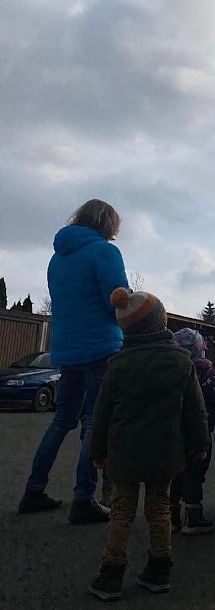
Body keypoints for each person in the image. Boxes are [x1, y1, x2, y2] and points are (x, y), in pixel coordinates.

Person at [88, 289, 210, 602]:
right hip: (165, 451)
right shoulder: (181, 361)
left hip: (124, 453)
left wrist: (98, 451)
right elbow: (195, 409)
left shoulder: (117, 365)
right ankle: (158, 570)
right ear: (160, 322)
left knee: (121, 511)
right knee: (159, 509)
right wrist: (200, 443)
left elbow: (102, 414)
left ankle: (111, 575)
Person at [19, 199, 129, 524]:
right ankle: (84, 499)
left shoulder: (58, 258)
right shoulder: (105, 253)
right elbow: (117, 300)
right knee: (95, 422)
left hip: (67, 349)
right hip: (101, 347)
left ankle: (33, 490)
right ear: (107, 223)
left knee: (61, 420)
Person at [170, 328, 215, 535]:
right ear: (200, 349)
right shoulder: (205, 371)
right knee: (194, 474)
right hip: (198, 432)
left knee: (175, 474)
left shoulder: (170, 370)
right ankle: (193, 520)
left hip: (173, 432)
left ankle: (170, 519)